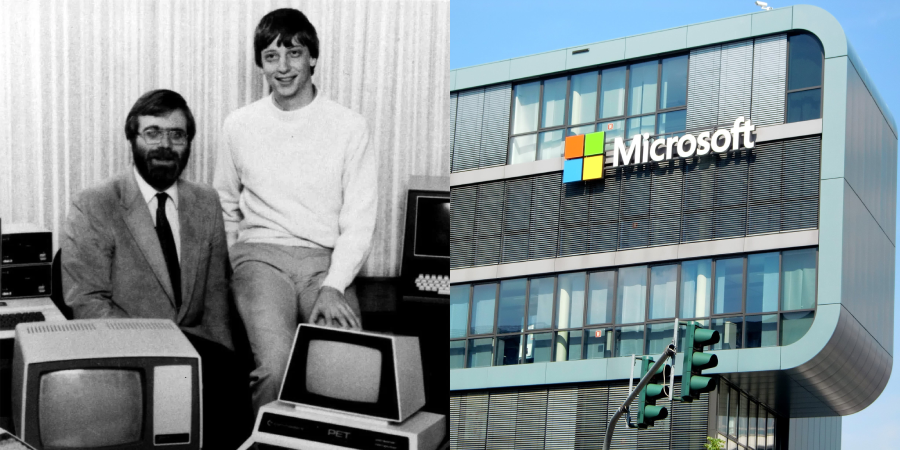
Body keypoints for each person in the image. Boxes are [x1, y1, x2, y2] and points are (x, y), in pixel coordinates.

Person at [62, 89, 251, 448]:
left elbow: (214, 301)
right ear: (131, 139)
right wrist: (166, 353)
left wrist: (223, 366)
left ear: (188, 143)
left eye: (176, 135)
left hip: (201, 362)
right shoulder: (95, 204)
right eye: (152, 133)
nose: (165, 145)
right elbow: (88, 304)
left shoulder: (206, 201)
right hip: (130, 359)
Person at [213, 8, 377, 415]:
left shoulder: (349, 126)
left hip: (325, 265)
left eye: (294, 54)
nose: (283, 68)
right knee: (277, 366)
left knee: (345, 365)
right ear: (260, 65)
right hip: (260, 259)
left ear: (312, 58)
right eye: (271, 56)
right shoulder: (239, 125)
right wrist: (236, 266)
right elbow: (224, 205)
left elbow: (360, 217)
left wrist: (334, 284)